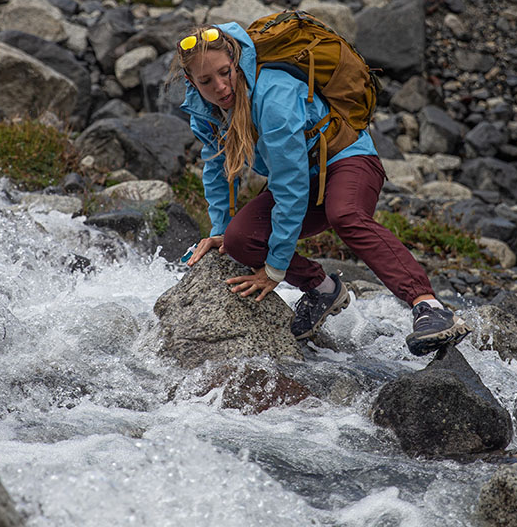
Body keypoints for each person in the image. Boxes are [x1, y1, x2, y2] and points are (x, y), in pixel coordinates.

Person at [173, 21, 470, 356]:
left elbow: (290, 186)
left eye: (225, 72)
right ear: (191, 82)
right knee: (240, 240)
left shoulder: (273, 96)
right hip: (304, 177)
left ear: (236, 62)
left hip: (347, 159)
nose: (221, 87)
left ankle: (428, 306)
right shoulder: (204, 111)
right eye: (206, 81)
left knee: (345, 214)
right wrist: (220, 231)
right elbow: (218, 168)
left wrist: (275, 269)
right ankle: (323, 290)